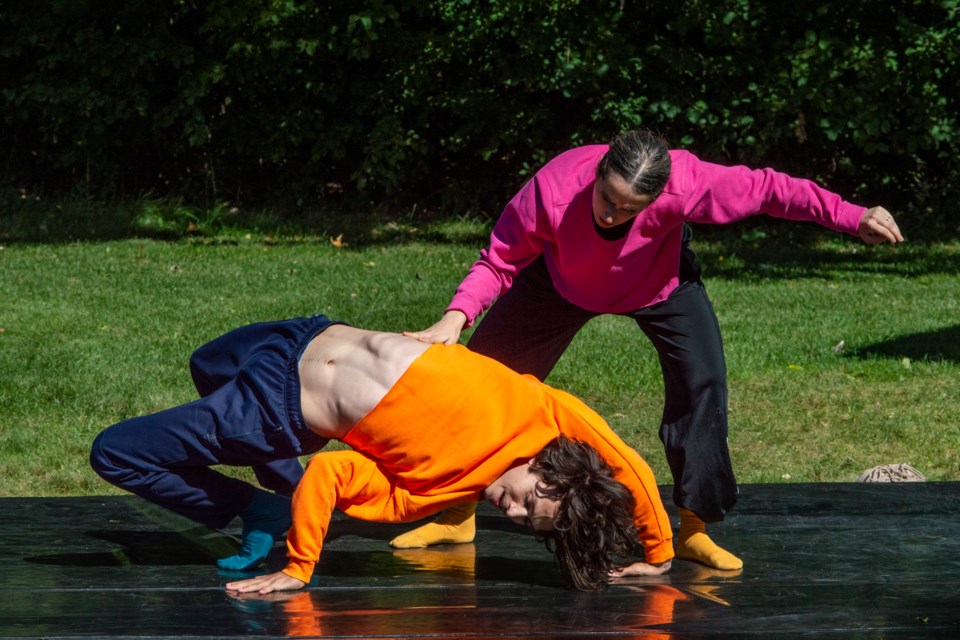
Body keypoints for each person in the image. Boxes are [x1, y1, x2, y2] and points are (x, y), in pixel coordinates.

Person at [395, 129, 905, 570]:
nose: (615, 216)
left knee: (702, 385)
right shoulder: (554, 188)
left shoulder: (688, 182)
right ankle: (456, 513)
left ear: (660, 197)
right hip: (559, 283)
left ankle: (694, 528)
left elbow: (771, 189)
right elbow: (500, 258)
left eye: (630, 209)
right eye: (607, 200)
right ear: (597, 173)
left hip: (661, 287)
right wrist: (455, 317)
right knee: (484, 384)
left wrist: (850, 215)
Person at [90, 315, 674, 592]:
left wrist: (298, 568)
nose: (512, 514)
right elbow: (630, 464)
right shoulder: (543, 412)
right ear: (551, 471)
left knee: (114, 453)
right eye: (529, 504)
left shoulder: (428, 494)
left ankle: (258, 509)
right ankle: (274, 489)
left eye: (524, 523)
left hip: (272, 407)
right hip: (300, 334)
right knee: (204, 362)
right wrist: (660, 551)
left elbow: (333, 471)